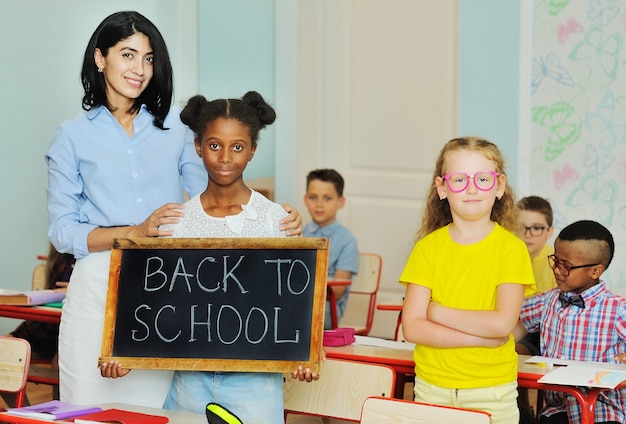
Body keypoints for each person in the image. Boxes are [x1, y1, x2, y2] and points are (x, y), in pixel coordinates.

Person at [45, 11, 302, 408]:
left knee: (154, 413)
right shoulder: (71, 137)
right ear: (100, 58)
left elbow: (214, 202)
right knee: (85, 412)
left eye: (149, 59)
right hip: (95, 288)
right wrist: (137, 230)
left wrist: (274, 219)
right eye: (128, 55)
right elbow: (62, 231)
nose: (140, 69)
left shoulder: (178, 132)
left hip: (163, 288)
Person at [100, 91, 316, 423]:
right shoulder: (175, 222)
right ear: (199, 147)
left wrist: (304, 354)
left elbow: (291, 303)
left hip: (256, 385)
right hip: (190, 380)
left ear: (252, 151)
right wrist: (127, 353)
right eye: (214, 145)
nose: (225, 157)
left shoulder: (277, 221)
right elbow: (158, 299)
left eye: (238, 147)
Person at [399, 136, 536, 424]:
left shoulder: (511, 249)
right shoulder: (427, 248)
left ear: (499, 186)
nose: (472, 188)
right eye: (459, 179)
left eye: (483, 179)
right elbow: (412, 328)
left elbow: (501, 324)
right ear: (442, 187)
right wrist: (479, 338)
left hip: (492, 391)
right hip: (431, 388)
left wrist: (436, 311)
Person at [514, 220, 626, 424]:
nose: (556, 270)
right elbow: (510, 320)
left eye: (566, 266)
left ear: (596, 271)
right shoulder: (550, 300)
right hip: (557, 410)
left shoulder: (617, 309)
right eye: (555, 260)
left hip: (602, 412)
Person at [303, 169, 359, 330]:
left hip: (326, 311)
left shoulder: (347, 241)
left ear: (340, 202)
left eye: (327, 198)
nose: (319, 204)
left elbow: (337, 291)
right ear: (305, 200)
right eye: (313, 197)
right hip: (296, 303)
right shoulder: (298, 233)